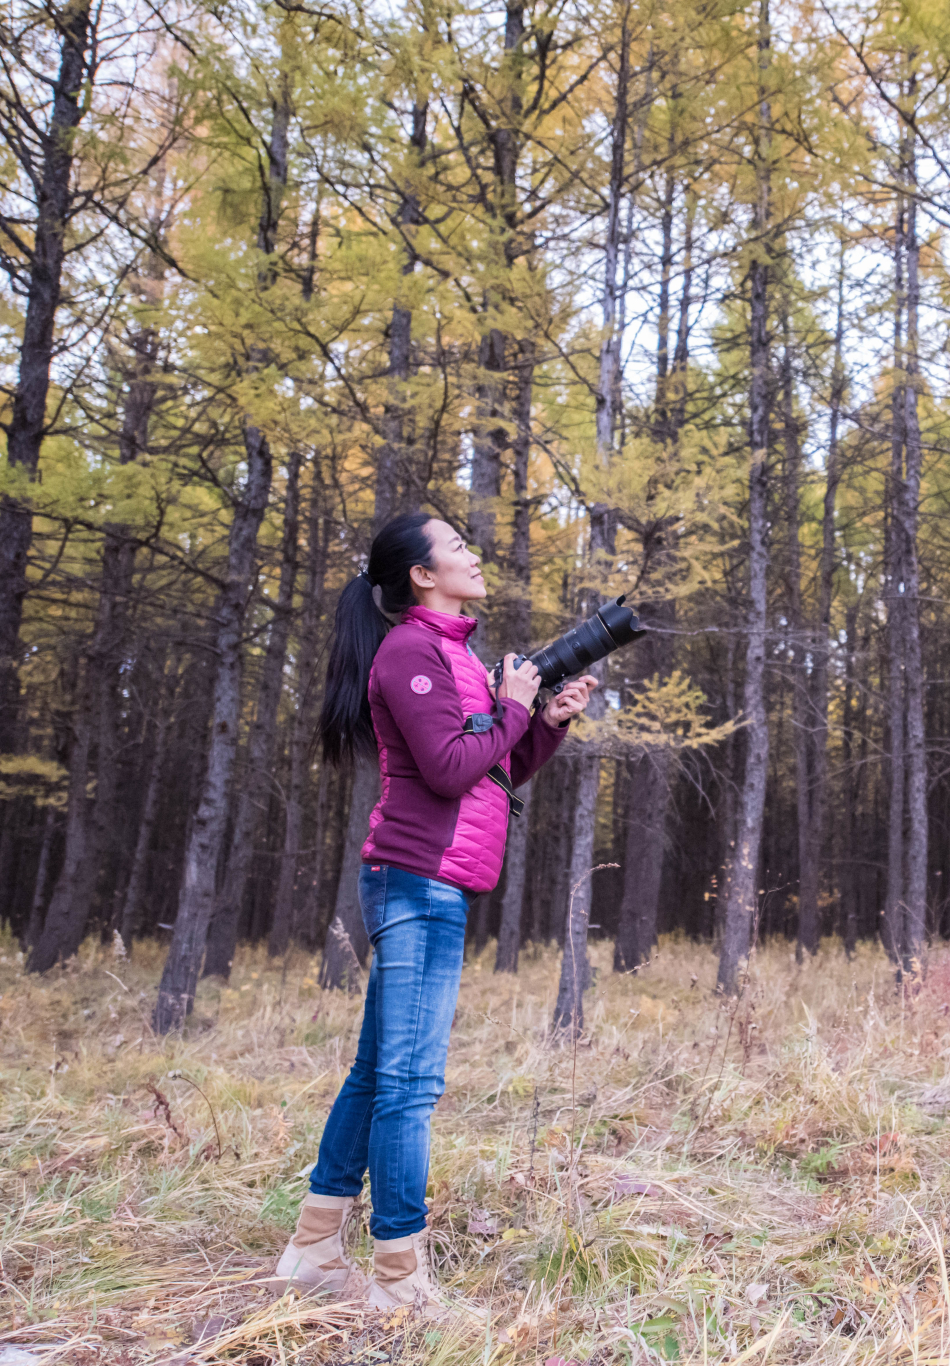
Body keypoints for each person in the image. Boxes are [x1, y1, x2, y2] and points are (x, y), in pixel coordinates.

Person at [275, 512, 596, 1310]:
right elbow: (452, 770)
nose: (472, 553)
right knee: (411, 1084)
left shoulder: (451, 655)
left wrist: (542, 723)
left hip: (432, 881)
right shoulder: (412, 652)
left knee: (374, 1076)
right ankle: (400, 1280)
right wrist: (515, 703)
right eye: (456, 546)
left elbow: (491, 768)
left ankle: (313, 1248)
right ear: (421, 574)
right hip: (416, 882)